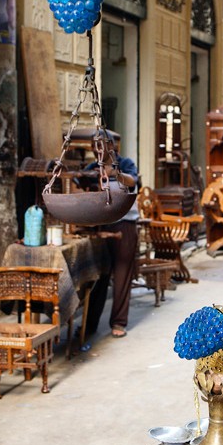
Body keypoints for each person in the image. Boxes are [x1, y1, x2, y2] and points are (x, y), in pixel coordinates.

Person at [78, 132, 138, 344]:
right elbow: (78, 182)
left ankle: (119, 322)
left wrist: (115, 173)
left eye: (101, 146)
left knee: (122, 275)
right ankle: (90, 324)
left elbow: (132, 182)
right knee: (98, 276)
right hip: (101, 226)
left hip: (125, 225)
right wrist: (89, 176)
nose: (97, 151)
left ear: (112, 146)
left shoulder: (126, 164)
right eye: (94, 147)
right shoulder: (92, 166)